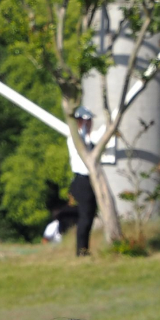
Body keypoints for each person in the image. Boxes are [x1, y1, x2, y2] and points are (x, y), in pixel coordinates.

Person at [67, 107, 98, 257]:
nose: (90, 123)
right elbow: (84, 144)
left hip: (89, 180)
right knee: (85, 216)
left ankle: (85, 248)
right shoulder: (76, 138)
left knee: (90, 215)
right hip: (82, 180)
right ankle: (81, 251)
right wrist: (84, 128)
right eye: (87, 121)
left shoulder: (87, 138)